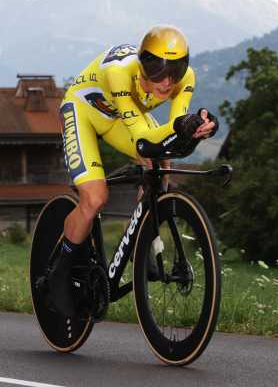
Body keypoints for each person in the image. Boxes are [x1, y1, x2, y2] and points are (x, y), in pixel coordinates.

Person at [43, 25, 219, 317]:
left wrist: (195, 127)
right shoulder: (120, 74)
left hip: (117, 118)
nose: (167, 82)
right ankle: (59, 274)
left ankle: (142, 241)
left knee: (162, 162)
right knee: (95, 198)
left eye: (174, 71)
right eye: (158, 72)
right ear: (143, 66)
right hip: (83, 111)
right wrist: (181, 128)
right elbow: (142, 138)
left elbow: (173, 130)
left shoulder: (186, 78)